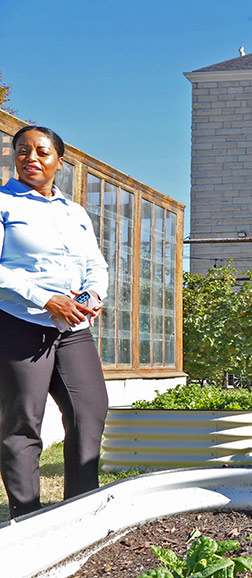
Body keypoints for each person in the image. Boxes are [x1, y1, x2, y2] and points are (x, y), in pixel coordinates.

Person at [0, 126, 109, 519]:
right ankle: (26, 517)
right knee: (23, 422)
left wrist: (94, 295)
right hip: (19, 323)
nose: (31, 158)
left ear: (59, 162)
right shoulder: (3, 203)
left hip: (73, 330)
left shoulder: (75, 212)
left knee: (90, 409)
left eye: (42, 152)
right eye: (22, 151)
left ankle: (81, 511)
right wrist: (46, 299)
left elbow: (96, 264)